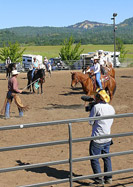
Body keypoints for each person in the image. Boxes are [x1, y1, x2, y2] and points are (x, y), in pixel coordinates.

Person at [89, 88, 115, 185]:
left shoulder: (96, 107)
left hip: (97, 138)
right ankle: (108, 178)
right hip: (107, 137)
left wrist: (91, 110)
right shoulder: (111, 108)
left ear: (99, 97)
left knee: (94, 158)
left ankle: (99, 179)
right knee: (106, 157)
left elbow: (90, 122)